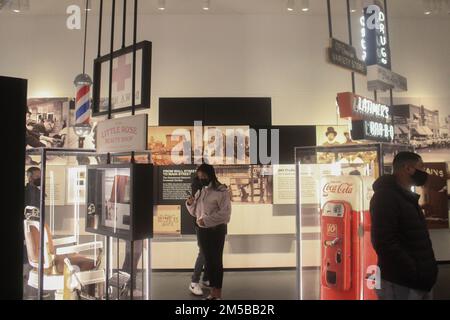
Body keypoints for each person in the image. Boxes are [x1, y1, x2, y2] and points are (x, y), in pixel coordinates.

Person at [370, 151, 438, 300]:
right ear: (408, 168)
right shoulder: (385, 197)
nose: (424, 172)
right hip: (401, 283)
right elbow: (384, 242)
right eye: (421, 167)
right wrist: (413, 270)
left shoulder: (406, 196)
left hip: (419, 282)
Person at [186, 164, 231, 300]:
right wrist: (190, 203)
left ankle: (217, 293)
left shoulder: (222, 191)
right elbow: (195, 212)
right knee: (209, 262)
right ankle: (212, 293)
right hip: (203, 231)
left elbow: (225, 214)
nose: (202, 179)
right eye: (199, 177)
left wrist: (206, 220)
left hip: (216, 231)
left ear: (210, 174)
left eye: (204, 176)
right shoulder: (201, 191)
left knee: (216, 262)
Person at [189, 175, 209, 296]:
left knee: (209, 251)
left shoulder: (210, 184)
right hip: (201, 224)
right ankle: (194, 282)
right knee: (203, 251)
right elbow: (192, 207)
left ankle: (206, 278)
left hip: (210, 223)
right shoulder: (198, 185)